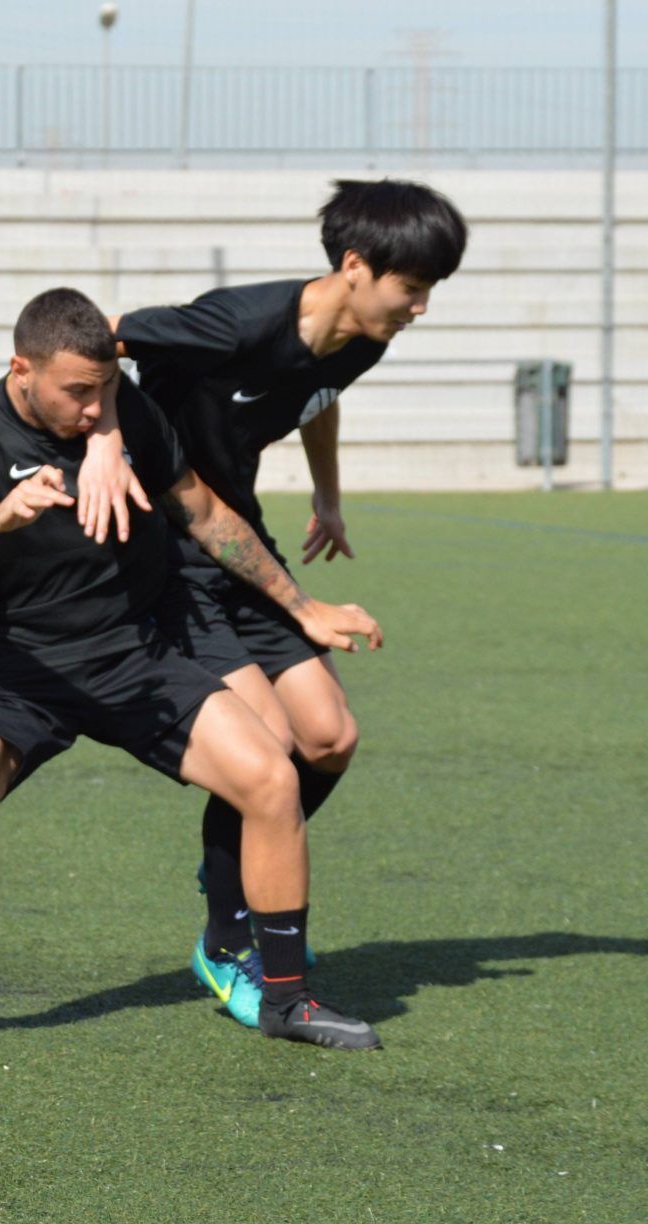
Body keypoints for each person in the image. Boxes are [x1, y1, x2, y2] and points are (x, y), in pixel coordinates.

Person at [0, 287, 384, 1055]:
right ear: (22, 369)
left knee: (272, 781)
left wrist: (301, 607)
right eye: (77, 390)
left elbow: (206, 516)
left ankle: (284, 998)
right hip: (18, 669)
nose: (92, 407)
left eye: (102, 388)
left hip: (137, 658)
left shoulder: (126, 413)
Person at [76, 178, 469, 1029]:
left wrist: (328, 496)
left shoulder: (364, 336)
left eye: (431, 291)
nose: (421, 308)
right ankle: (228, 938)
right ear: (356, 267)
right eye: (413, 289)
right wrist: (106, 439)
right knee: (270, 756)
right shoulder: (235, 323)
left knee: (329, 739)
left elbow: (317, 399)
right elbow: (96, 339)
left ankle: (240, 879)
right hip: (169, 553)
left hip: (241, 542)